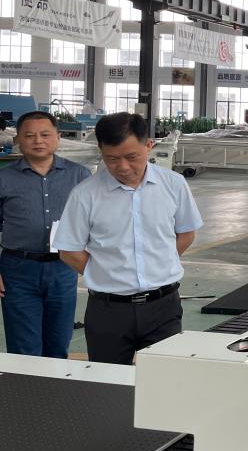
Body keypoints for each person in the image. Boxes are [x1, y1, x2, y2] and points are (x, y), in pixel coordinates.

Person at [54, 112, 202, 364]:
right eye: (111, 159)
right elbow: (69, 250)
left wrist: (159, 261)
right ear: (101, 150)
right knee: (107, 381)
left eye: (131, 157)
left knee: (162, 379)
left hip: (162, 307)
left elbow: (187, 232)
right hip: (108, 311)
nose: (122, 167)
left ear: (149, 145)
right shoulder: (85, 194)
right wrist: (107, 273)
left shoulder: (174, 184)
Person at [0, 111, 90, 357]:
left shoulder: (79, 176)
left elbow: (94, 222)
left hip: (63, 267)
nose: (38, 141)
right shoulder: (4, 178)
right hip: (17, 270)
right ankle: (25, 383)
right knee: (24, 347)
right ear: (18, 138)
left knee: (59, 343)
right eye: (30, 135)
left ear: (58, 137)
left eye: (45, 134)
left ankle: (54, 383)